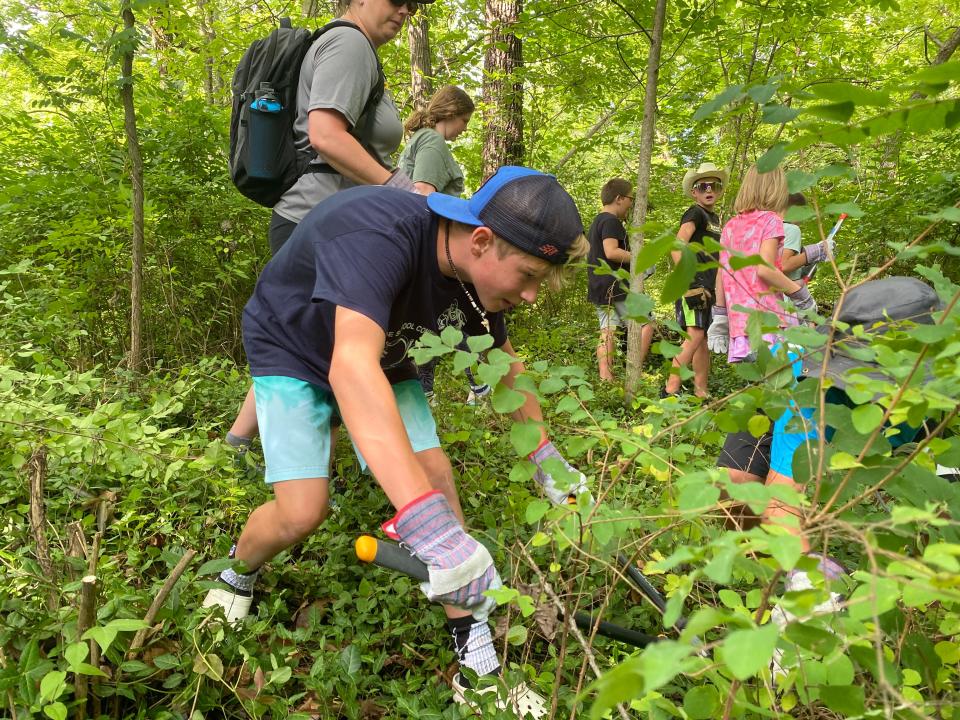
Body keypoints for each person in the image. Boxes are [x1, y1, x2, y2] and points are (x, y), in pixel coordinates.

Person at [202, 167, 592, 717]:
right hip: (293, 346)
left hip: (381, 354)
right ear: (481, 241)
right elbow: (350, 366)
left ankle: (476, 665)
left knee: (437, 479)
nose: (530, 296)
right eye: (527, 276)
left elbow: (503, 367)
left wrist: (548, 459)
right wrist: (423, 522)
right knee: (302, 512)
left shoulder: (475, 281)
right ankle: (237, 572)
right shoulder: (377, 235)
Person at [225, 0, 429, 458]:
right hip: (319, 228)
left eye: (413, 5)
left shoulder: (347, 44)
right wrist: (401, 189)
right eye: (397, 0)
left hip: (317, 224)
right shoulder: (350, 43)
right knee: (327, 355)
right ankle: (308, 476)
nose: (405, 10)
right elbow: (325, 135)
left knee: (305, 345)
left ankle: (239, 447)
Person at [708, 165, 818, 486]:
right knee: (795, 393)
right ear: (777, 189)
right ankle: (785, 466)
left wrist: (719, 315)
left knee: (766, 390)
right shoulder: (771, 221)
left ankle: (755, 459)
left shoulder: (731, 224)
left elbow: (722, 273)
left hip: (744, 329)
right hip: (773, 326)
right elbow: (767, 269)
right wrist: (800, 294)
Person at [396, 85, 490, 402]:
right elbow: (423, 192)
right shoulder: (433, 142)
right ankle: (477, 383)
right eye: (464, 120)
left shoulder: (423, 139)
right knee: (451, 316)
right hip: (430, 241)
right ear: (451, 114)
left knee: (433, 319)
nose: (465, 128)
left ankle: (428, 391)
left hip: (423, 241)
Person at [663, 162, 726, 398]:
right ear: (694, 191)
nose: (709, 190)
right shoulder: (694, 213)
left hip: (709, 285)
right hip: (693, 283)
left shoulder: (715, 218)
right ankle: (670, 389)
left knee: (703, 338)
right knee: (695, 335)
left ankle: (702, 392)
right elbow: (678, 244)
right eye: (703, 186)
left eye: (714, 185)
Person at [586, 178, 653, 382]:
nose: (631, 204)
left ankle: (606, 378)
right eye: (630, 199)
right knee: (647, 324)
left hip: (599, 286)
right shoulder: (611, 221)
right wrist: (640, 259)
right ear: (619, 199)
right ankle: (633, 373)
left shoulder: (598, 221)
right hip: (616, 286)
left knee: (608, 330)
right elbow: (611, 252)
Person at [780, 192, 836, 282]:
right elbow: (784, 265)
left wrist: (802, 270)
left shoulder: (766, 227)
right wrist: (816, 251)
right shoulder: (792, 229)